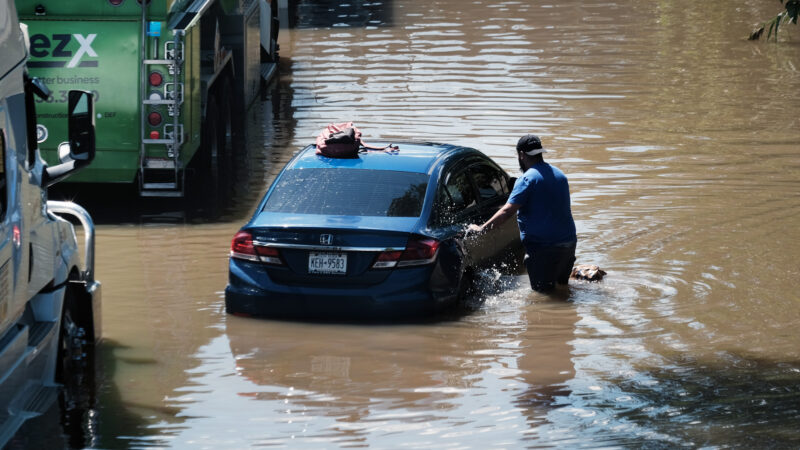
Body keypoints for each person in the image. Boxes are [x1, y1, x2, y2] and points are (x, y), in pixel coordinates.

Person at [468, 135, 577, 292]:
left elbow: (506, 211)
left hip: (543, 249)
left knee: (543, 298)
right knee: (562, 290)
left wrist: (481, 229)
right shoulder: (560, 175)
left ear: (521, 155)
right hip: (568, 244)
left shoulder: (527, 179)